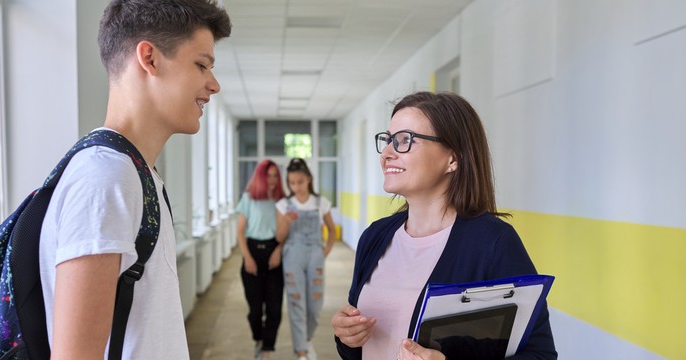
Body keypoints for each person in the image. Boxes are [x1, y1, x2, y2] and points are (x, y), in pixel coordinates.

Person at [38, 1, 231, 358]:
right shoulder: (107, 178)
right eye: (201, 64)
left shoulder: (134, 173)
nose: (214, 84)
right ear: (150, 58)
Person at [331, 91, 557, 360]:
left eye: (405, 140)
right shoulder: (375, 236)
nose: (388, 153)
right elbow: (361, 349)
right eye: (388, 140)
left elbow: (540, 355)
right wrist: (348, 337)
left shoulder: (492, 242)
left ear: (453, 158)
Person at [276, 158, 337, 360]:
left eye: (300, 182)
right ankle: (301, 351)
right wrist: (285, 221)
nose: (296, 187)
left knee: (315, 305)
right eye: (292, 183)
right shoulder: (284, 204)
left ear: (309, 179)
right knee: (296, 302)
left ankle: (307, 340)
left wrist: (325, 251)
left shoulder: (321, 203)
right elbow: (279, 237)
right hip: (292, 254)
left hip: (315, 256)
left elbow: (331, 230)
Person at [237, 159, 287, 360]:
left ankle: (266, 350)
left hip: (274, 251)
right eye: (269, 175)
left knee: (274, 309)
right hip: (252, 252)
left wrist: (279, 250)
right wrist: (247, 258)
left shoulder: (282, 200)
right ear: (261, 176)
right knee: (255, 310)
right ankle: (258, 339)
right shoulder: (249, 198)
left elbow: (286, 231)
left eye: (276, 175)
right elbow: (240, 232)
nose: (273, 179)